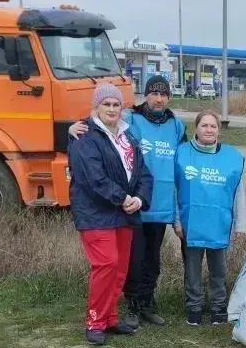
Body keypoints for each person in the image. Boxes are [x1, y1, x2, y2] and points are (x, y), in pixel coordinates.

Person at [69, 75, 188, 328]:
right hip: (126, 208)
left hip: (156, 204)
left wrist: (169, 209)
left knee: (150, 261)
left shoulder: (175, 126)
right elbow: (98, 128)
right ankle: (127, 306)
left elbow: (179, 160)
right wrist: (72, 129)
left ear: (169, 97)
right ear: (145, 95)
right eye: (153, 93)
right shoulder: (130, 120)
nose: (158, 98)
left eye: (163, 94)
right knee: (129, 261)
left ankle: (145, 303)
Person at [67, 82, 153, 346]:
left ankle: (110, 318)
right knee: (105, 265)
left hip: (125, 214)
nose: (112, 109)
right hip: (96, 214)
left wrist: (138, 198)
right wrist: (122, 197)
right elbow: (94, 178)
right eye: (106, 104)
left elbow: (144, 174)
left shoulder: (128, 137)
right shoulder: (84, 136)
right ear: (96, 106)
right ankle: (94, 322)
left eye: (116, 104)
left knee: (118, 269)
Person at [173, 110, 246, 326]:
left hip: (219, 224)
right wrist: (176, 220)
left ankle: (218, 308)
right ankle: (194, 308)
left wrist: (240, 225)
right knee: (192, 271)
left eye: (213, 126)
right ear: (195, 129)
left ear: (219, 131)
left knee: (219, 271)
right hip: (190, 225)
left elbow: (238, 194)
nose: (208, 129)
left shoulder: (231, 158)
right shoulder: (182, 153)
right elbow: (173, 190)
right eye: (204, 125)